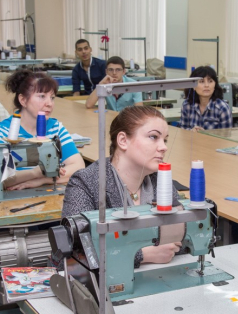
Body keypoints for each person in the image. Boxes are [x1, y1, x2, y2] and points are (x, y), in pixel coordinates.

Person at [62, 105, 183, 267]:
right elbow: (76, 251)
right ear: (123, 141)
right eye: (154, 137)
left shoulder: (160, 181)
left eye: (165, 140)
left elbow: (182, 233)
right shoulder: (85, 183)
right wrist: (141, 254)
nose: (164, 147)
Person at [0, 69, 85, 189]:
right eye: (42, 96)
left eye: (52, 98)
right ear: (23, 100)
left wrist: (43, 180)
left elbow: (79, 166)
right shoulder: (3, 132)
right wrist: (34, 173)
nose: (49, 103)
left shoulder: (55, 128)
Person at [180, 66, 232, 131]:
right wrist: (191, 131)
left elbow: (226, 135)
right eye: (202, 81)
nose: (206, 85)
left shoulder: (222, 108)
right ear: (193, 86)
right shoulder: (187, 105)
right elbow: (183, 131)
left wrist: (205, 134)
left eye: (210, 81)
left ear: (215, 85)